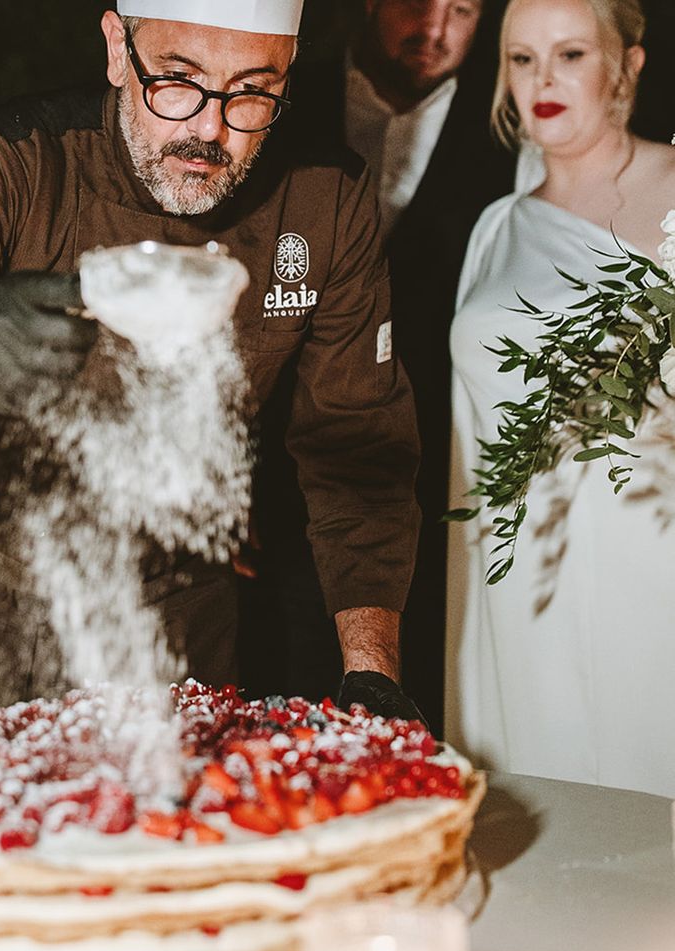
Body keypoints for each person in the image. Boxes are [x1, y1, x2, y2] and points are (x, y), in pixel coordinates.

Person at [0, 0, 424, 720]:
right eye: (177, 80)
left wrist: (373, 674)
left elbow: (357, 449)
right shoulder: (11, 161)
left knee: (180, 823)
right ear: (116, 48)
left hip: (176, 608)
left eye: (253, 91)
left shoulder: (326, 199)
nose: (209, 128)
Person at [240, 0, 516, 731]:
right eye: (417, 2)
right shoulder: (276, 95)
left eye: (462, 10)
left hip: (438, 486)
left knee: (411, 698)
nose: (435, 27)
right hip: (279, 475)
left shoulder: (511, 130)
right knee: (281, 697)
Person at [447, 0, 675, 796]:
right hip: (514, 585)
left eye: (571, 54)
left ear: (628, 66)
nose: (542, 79)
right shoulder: (494, 229)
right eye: (521, 58)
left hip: (649, 576)